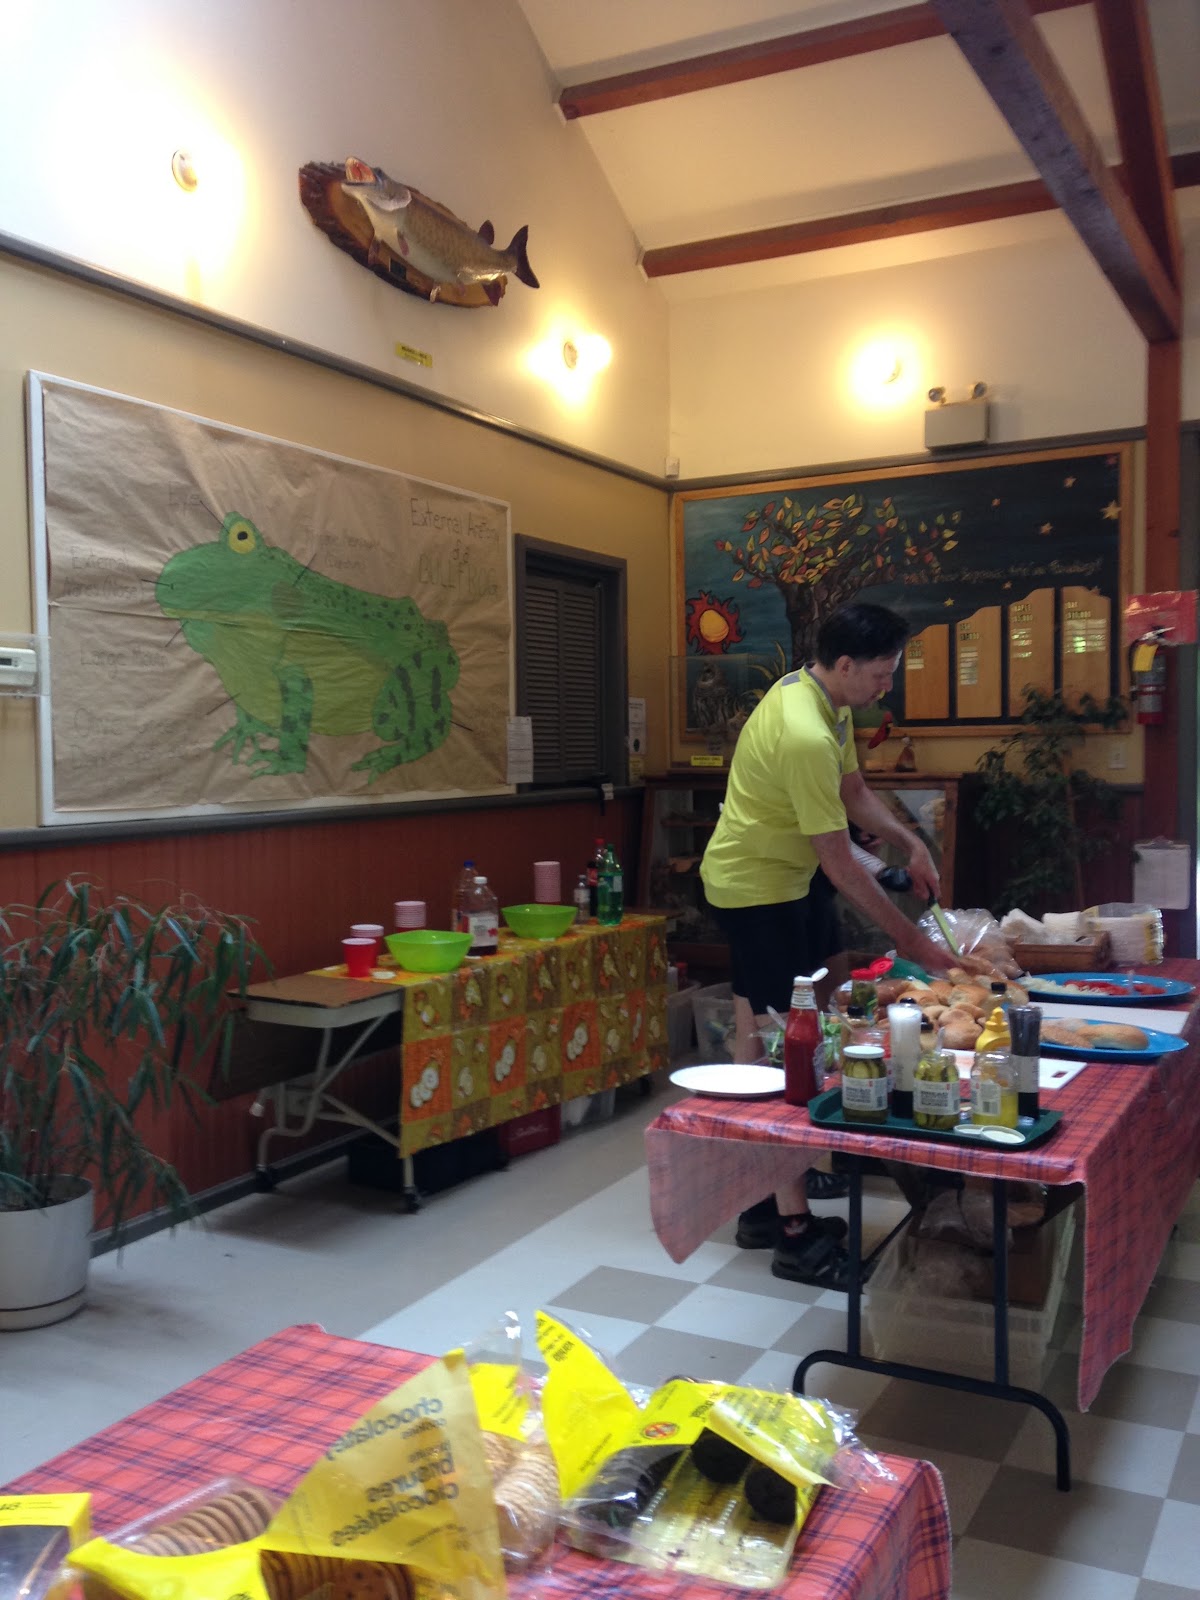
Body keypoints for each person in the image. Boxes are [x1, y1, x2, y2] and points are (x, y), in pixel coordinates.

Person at [699, 601, 964, 1289]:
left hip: (786, 881)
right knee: (784, 1046)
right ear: (844, 664)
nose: (887, 686)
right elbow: (842, 862)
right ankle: (792, 1234)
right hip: (757, 891)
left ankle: (761, 1199)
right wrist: (912, 939)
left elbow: (852, 791)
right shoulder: (804, 731)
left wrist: (911, 841)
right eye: (880, 673)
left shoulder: (825, 700)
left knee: (767, 1033)